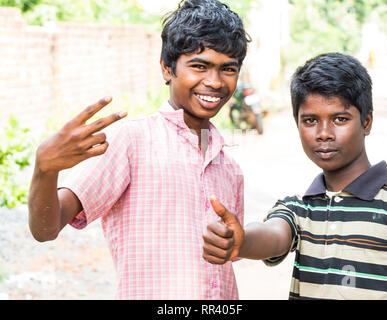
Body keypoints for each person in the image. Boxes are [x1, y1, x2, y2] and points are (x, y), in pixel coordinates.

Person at [28, 0, 251, 300]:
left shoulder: (229, 168)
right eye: (199, 66)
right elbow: (46, 228)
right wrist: (46, 169)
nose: (214, 81)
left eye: (228, 69)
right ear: (166, 69)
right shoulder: (130, 141)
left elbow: (229, 257)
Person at [203, 52, 387, 300]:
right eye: (310, 120)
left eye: (340, 119)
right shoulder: (299, 209)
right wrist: (242, 241)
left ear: (366, 122)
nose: (324, 133)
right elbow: (274, 235)